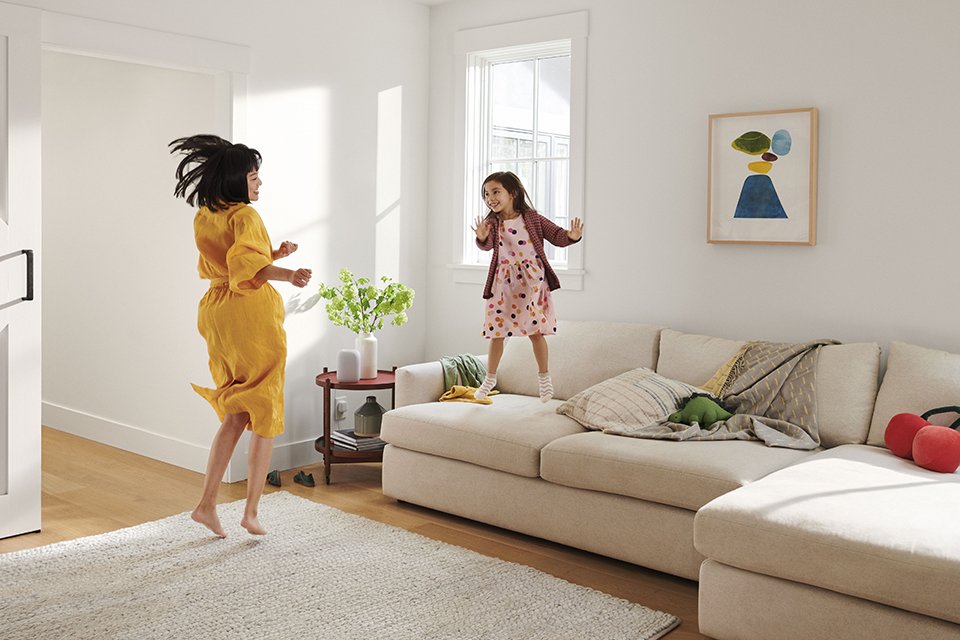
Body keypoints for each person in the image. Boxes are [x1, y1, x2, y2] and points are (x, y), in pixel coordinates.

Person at [169, 134, 312, 537]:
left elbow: (231, 260)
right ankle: (251, 512)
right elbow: (248, 269)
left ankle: (206, 505)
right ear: (236, 179)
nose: (259, 183)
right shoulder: (246, 214)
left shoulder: (206, 214)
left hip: (217, 312)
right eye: (253, 177)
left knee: (236, 408)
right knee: (265, 407)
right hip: (249, 313)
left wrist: (274, 254)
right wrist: (288, 273)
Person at [471, 171, 583, 402]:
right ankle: (489, 379)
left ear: (512, 193)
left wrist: (571, 236)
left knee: (535, 331)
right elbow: (487, 244)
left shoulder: (531, 218)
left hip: (531, 282)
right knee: (496, 331)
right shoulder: (492, 222)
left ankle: (544, 379)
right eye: (486, 194)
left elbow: (557, 235)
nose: (490, 198)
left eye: (495, 192)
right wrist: (481, 238)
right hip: (503, 283)